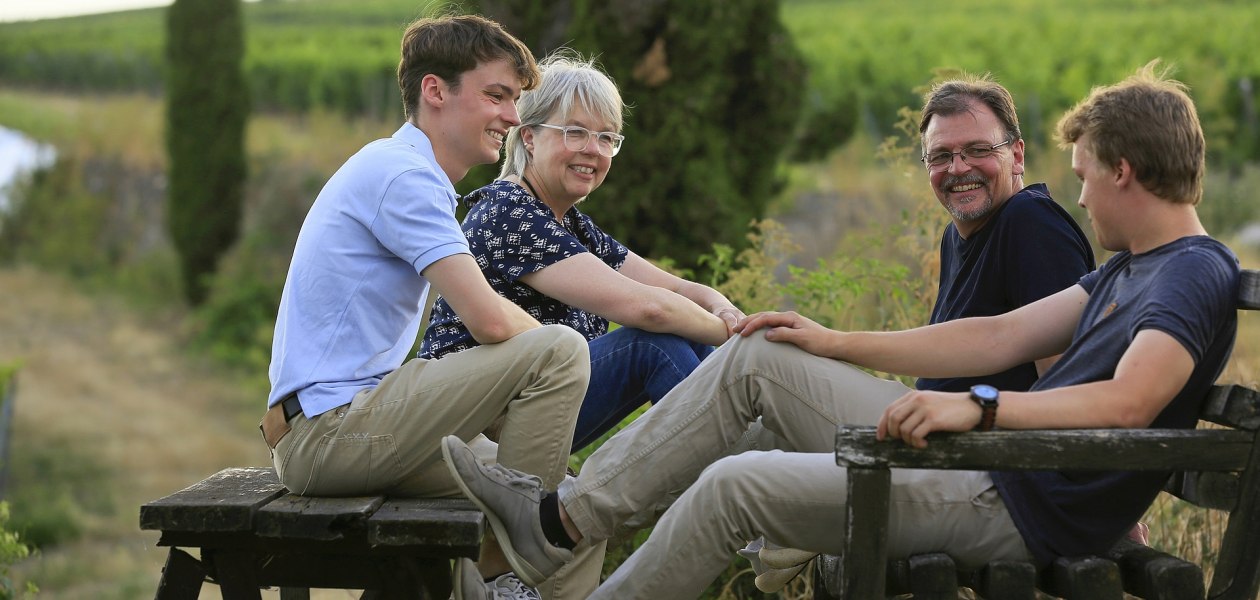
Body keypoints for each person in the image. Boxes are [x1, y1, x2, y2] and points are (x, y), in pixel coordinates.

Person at [440, 61, 1240, 600]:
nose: (1084, 199)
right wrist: (825, 339)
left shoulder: (1190, 272)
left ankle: (562, 535)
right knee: (759, 353)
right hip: (992, 468)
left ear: (1123, 171)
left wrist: (982, 408)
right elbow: (996, 336)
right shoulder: (1130, 269)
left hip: (1012, 497)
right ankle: (562, 522)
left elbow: (1133, 401)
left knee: (735, 482)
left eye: (1088, 178)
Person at [261, 15, 591, 600]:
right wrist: (535, 375)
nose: (513, 118)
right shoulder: (401, 175)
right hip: (334, 433)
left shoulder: (409, 173)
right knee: (560, 350)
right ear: (435, 91)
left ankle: (502, 581)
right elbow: (488, 319)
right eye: (496, 96)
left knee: (574, 505)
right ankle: (504, 571)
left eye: (515, 100)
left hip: (347, 426)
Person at [419, 52, 742, 453]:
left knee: (688, 340)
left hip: (529, 401)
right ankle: (738, 477)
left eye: (607, 137)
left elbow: (675, 291)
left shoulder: (571, 225)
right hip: (478, 421)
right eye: (575, 132)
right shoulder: (510, 213)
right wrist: (738, 337)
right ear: (530, 137)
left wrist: (722, 307)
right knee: (652, 345)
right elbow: (650, 310)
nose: (594, 149)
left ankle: (738, 474)